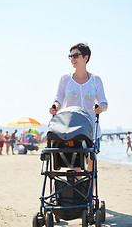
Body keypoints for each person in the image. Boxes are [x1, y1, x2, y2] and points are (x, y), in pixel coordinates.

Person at [49, 43, 108, 172]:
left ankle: (88, 192)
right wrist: (55, 107)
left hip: (91, 128)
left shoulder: (95, 80)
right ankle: (76, 190)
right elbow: (58, 99)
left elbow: (103, 102)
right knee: (76, 165)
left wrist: (100, 108)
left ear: (85, 58)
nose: (72, 59)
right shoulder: (65, 79)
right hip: (71, 129)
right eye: (70, 56)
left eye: (75, 55)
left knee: (91, 169)